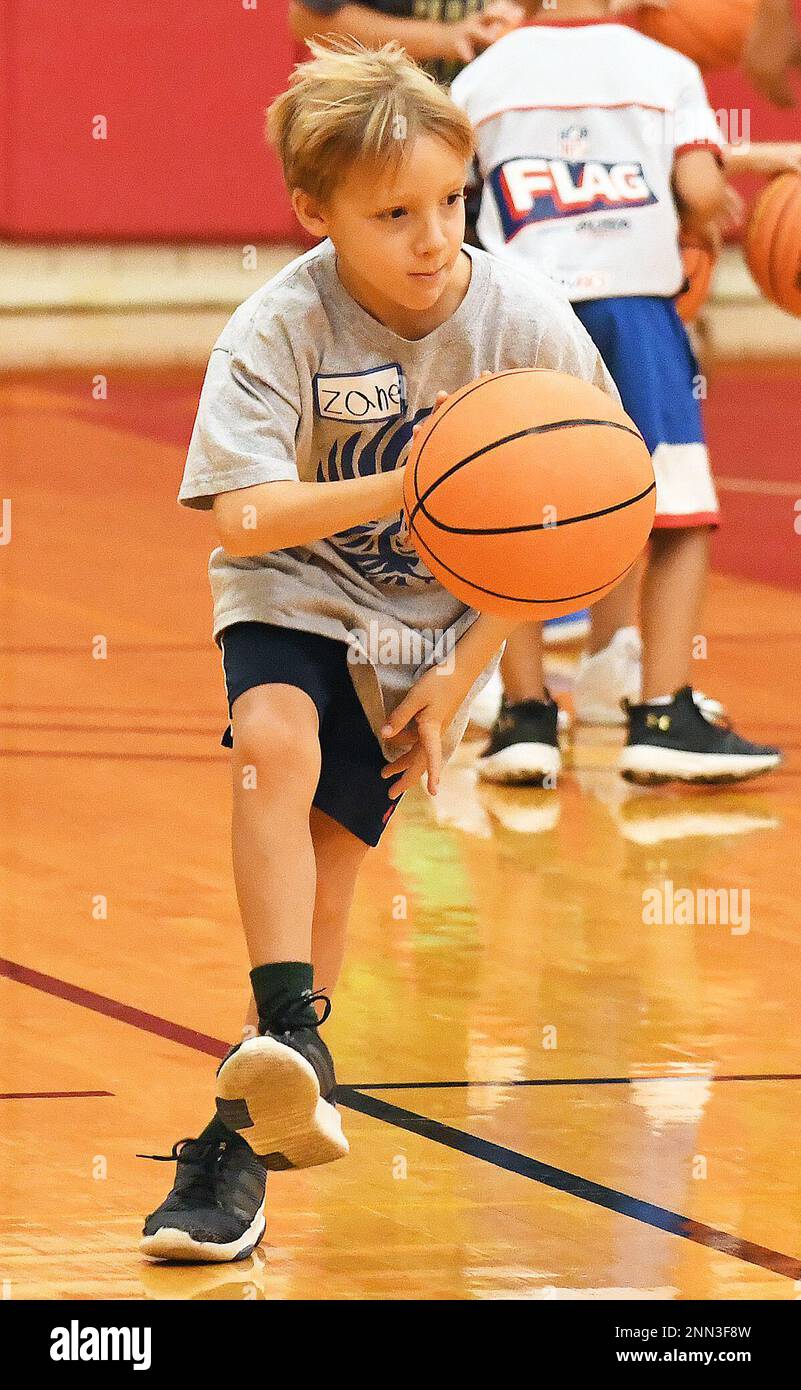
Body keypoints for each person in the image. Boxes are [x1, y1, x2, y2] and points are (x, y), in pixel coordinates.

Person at [139, 37, 623, 1262]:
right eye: (393, 211)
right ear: (315, 211)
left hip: (420, 629)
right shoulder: (280, 325)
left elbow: (578, 521)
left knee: (332, 865)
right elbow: (243, 513)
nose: (430, 235)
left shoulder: (521, 316)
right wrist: (406, 483)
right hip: (292, 587)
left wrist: (463, 676)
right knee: (270, 739)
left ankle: (243, 1133)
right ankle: (293, 1036)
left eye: (451, 201)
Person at [450, 0, 783, 786]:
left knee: (515, 520)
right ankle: (663, 714)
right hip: (637, 317)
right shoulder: (664, 68)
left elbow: (450, 197)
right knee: (675, 515)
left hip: (522, 315)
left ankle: (524, 718)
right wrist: (707, 218)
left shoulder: (482, 76)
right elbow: (698, 186)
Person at [288, 0, 525, 86]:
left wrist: (515, 15)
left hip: (496, 124)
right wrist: (444, 38)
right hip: (387, 120)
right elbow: (309, 20)